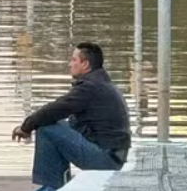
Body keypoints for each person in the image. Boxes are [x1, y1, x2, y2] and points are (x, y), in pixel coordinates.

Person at [12, 42, 131, 191]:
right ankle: (57, 185)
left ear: (85, 64)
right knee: (55, 125)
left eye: (74, 60)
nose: (70, 64)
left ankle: (52, 187)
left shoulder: (90, 87)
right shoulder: (100, 83)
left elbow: (55, 109)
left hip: (106, 160)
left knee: (46, 127)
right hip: (114, 155)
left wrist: (26, 126)